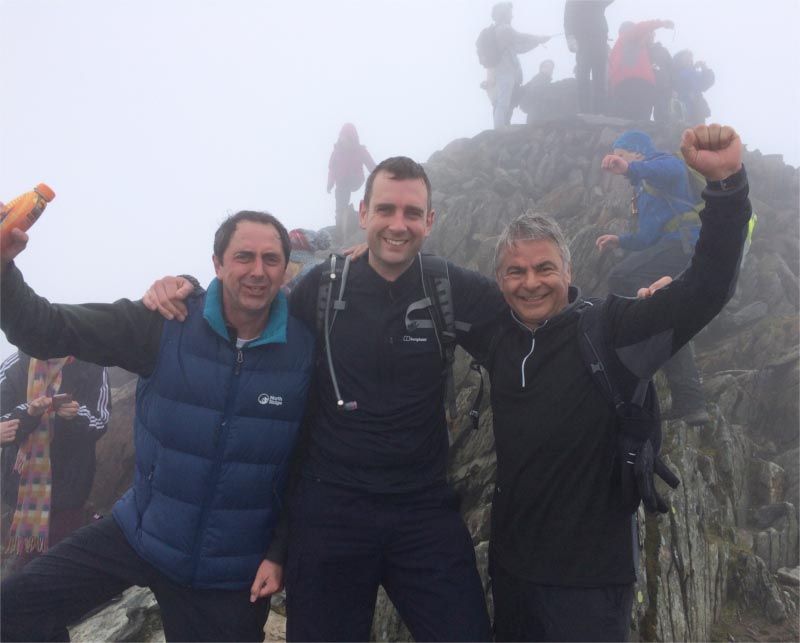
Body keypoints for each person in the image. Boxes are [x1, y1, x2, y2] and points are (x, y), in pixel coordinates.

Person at [144, 157, 507, 642]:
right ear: (362, 212)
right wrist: (186, 288)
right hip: (329, 509)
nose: (398, 225)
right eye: (385, 210)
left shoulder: (450, 287)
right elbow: (251, 317)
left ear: (430, 221)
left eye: (412, 213)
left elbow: (535, 317)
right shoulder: (324, 285)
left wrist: (626, 306)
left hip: (422, 509)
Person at [480, 123, 750, 641]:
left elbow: (708, 288)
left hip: (590, 587)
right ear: (499, 280)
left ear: (568, 268)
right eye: (515, 272)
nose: (531, 282)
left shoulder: (611, 328)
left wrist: (727, 186)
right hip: (511, 575)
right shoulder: (498, 335)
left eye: (544, 268)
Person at [0, 210, 315, 642]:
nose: (258, 271)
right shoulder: (166, 323)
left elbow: (311, 463)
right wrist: (2, 268)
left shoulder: (305, 351)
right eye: (243, 257)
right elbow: (47, 330)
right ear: (218, 265)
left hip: (230, 569)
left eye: (270, 259)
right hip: (142, 532)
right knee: (14, 608)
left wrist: (279, 551)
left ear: (286, 268)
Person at [595, 130, 710, 425]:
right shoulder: (643, 189)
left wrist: (630, 168)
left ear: (637, 152)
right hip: (666, 248)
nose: (617, 162)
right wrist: (619, 241)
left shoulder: (662, 162)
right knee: (667, 323)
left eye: (621, 154)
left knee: (621, 277)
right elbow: (647, 237)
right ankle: (691, 403)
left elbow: (668, 170)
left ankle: (636, 333)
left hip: (682, 247)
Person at [0, 352, 110, 572]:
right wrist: (29, 412)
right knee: (27, 557)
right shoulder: (15, 365)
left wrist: (76, 416)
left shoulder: (92, 362)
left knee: (63, 555)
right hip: (22, 483)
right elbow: (3, 423)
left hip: (70, 479)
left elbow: (100, 420)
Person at [482, 2, 550, 129]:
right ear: (504, 14)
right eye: (509, 13)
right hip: (505, 73)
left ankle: (500, 129)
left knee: (504, 103)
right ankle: (499, 131)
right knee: (502, 104)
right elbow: (521, 37)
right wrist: (539, 39)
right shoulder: (504, 29)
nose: (512, 16)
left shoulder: (501, 33)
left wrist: (537, 43)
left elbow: (519, 48)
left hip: (504, 73)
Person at [608, 19, 674, 120]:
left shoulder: (617, 48)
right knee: (641, 120)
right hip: (640, 83)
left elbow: (611, 69)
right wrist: (662, 23)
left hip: (620, 86)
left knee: (624, 119)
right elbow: (642, 27)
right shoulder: (630, 36)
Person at [564, 0, 613, 115]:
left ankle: (599, 112)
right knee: (583, 75)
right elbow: (567, 18)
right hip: (583, 40)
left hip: (600, 40)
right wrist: (570, 37)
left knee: (600, 78)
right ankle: (584, 111)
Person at [327, 123, 377, 238]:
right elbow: (332, 170)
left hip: (355, 179)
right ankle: (341, 223)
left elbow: (371, 164)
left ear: (353, 139)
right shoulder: (337, 152)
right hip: (341, 183)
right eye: (342, 138)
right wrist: (330, 183)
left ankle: (344, 219)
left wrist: (380, 175)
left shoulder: (360, 150)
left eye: (347, 139)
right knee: (340, 197)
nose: (344, 142)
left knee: (343, 188)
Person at [672, 50, 715, 125]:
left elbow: (706, 83)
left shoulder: (693, 73)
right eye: (686, 59)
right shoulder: (675, 72)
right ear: (679, 60)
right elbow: (683, 77)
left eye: (690, 59)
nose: (689, 61)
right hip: (682, 110)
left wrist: (705, 69)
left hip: (697, 111)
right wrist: (693, 68)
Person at [518, 59, 556, 123]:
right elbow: (535, 94)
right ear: (541, 68)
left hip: (536, 114)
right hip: (537, 114)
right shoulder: (539, 79)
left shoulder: (543, 80)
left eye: (551, 68)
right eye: (547, 67)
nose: (550, 70)